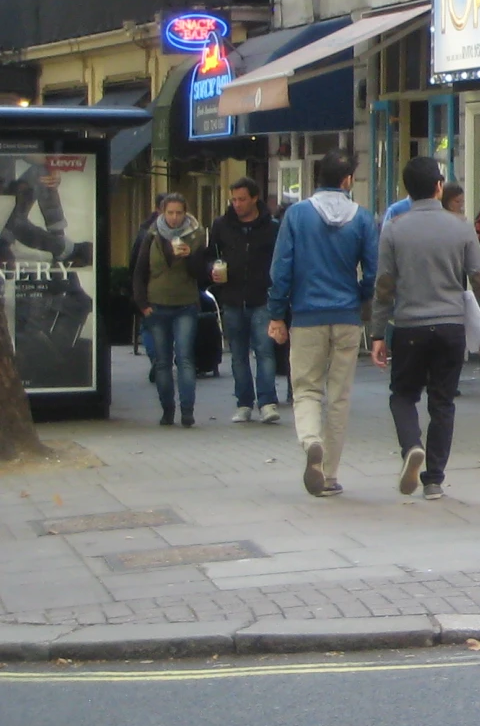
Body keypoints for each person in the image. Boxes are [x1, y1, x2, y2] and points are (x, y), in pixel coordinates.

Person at [370, 155, 480, 502]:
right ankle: (434, 479)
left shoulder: (394, 229)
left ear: (407, 191)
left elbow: (384, 285)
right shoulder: (461, 227)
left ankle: (412, 445)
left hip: (410, 325)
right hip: (451, 325)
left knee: (403, 395)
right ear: (439, 187)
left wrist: (378, 333)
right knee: (443, 402)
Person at [268, 153, 378, 498]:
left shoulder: (297, 215)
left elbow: (281, 269)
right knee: (339, 396)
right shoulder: (362, 219)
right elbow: (375, 272)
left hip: (306, 316)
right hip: (346, 316)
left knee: (306, 388)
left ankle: (311, 441)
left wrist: (276, 314)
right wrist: (359, 296)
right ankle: (329, 475)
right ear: (347, 181)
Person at [208, 179, 282, 423]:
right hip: (232, 297)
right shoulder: (222, 225)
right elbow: (210, 256)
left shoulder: (271, 227)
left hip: (262, 297)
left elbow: (281, 260)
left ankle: (268, 402)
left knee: (264, 350)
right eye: (234, 200)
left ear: (254, 198)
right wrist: (212, 271)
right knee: (238, 354)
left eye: (241, 199)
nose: (237, 204)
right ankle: (243, 403)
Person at [132, 192, 207, 428]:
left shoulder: (196, 235)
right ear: (162, 213)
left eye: (179, 213)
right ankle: (167, 410)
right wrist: (143, 305)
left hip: (185, 304)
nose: (174, 218)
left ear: (186, 213)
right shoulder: (152, 235)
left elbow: (201, 275)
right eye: (170, 213)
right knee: (162, 362)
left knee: (184, 358)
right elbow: (139, 271)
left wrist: (190, 257)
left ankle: (187, 411)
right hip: (157, 305)